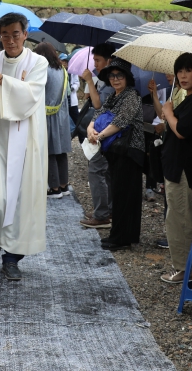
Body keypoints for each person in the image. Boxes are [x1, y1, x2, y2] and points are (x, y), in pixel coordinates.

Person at [0, 12, 49, 281]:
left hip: (27, 140)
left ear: (25, 34)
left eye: (15, 34)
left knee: (22, 201)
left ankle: (12, 258)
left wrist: (1, 79)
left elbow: (30, 97)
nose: (10, 40)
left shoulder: (37, 62)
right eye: (4, 35)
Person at [159, 53, 192, 284]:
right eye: (179, 70)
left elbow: (182, 130)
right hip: (177, 166)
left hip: (184, 169)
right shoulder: (189, 97)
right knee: (180, 217)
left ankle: (185, 268)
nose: (182, 75)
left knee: (179, 220)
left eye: (188, 70)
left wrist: (169, 113)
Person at [89, 58, 145, 251]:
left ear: (127, 77)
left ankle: (124, 237)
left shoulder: (132, 95)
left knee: (126, 195)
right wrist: (90, 129)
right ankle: (117, 235)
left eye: (119, 75)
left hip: (129, 151)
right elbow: (99, 114)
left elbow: (121, 121)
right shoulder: (114, 95)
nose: (115, 79)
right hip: (116, 151)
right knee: (119, 194)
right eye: (112, 76)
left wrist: (99, 136)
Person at [78, 43, 115, 230]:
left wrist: (90, 82)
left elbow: (98, 105)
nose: (95, 64)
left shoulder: (110, 81)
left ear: (109, 61)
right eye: (94, 60)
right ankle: (106, 210)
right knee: (104, 172)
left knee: (96, 170)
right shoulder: (108, 79)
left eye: (98, 60)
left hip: (106, 134)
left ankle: (102, 215)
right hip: (102, 131)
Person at [34, 43, 71, 198]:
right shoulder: (62, 70)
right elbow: (67, 92)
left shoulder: (45, 71)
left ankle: (54, 188)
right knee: (61, 151)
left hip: (48, 116)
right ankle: (64, 185)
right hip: (62, 115)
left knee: (50, 151)